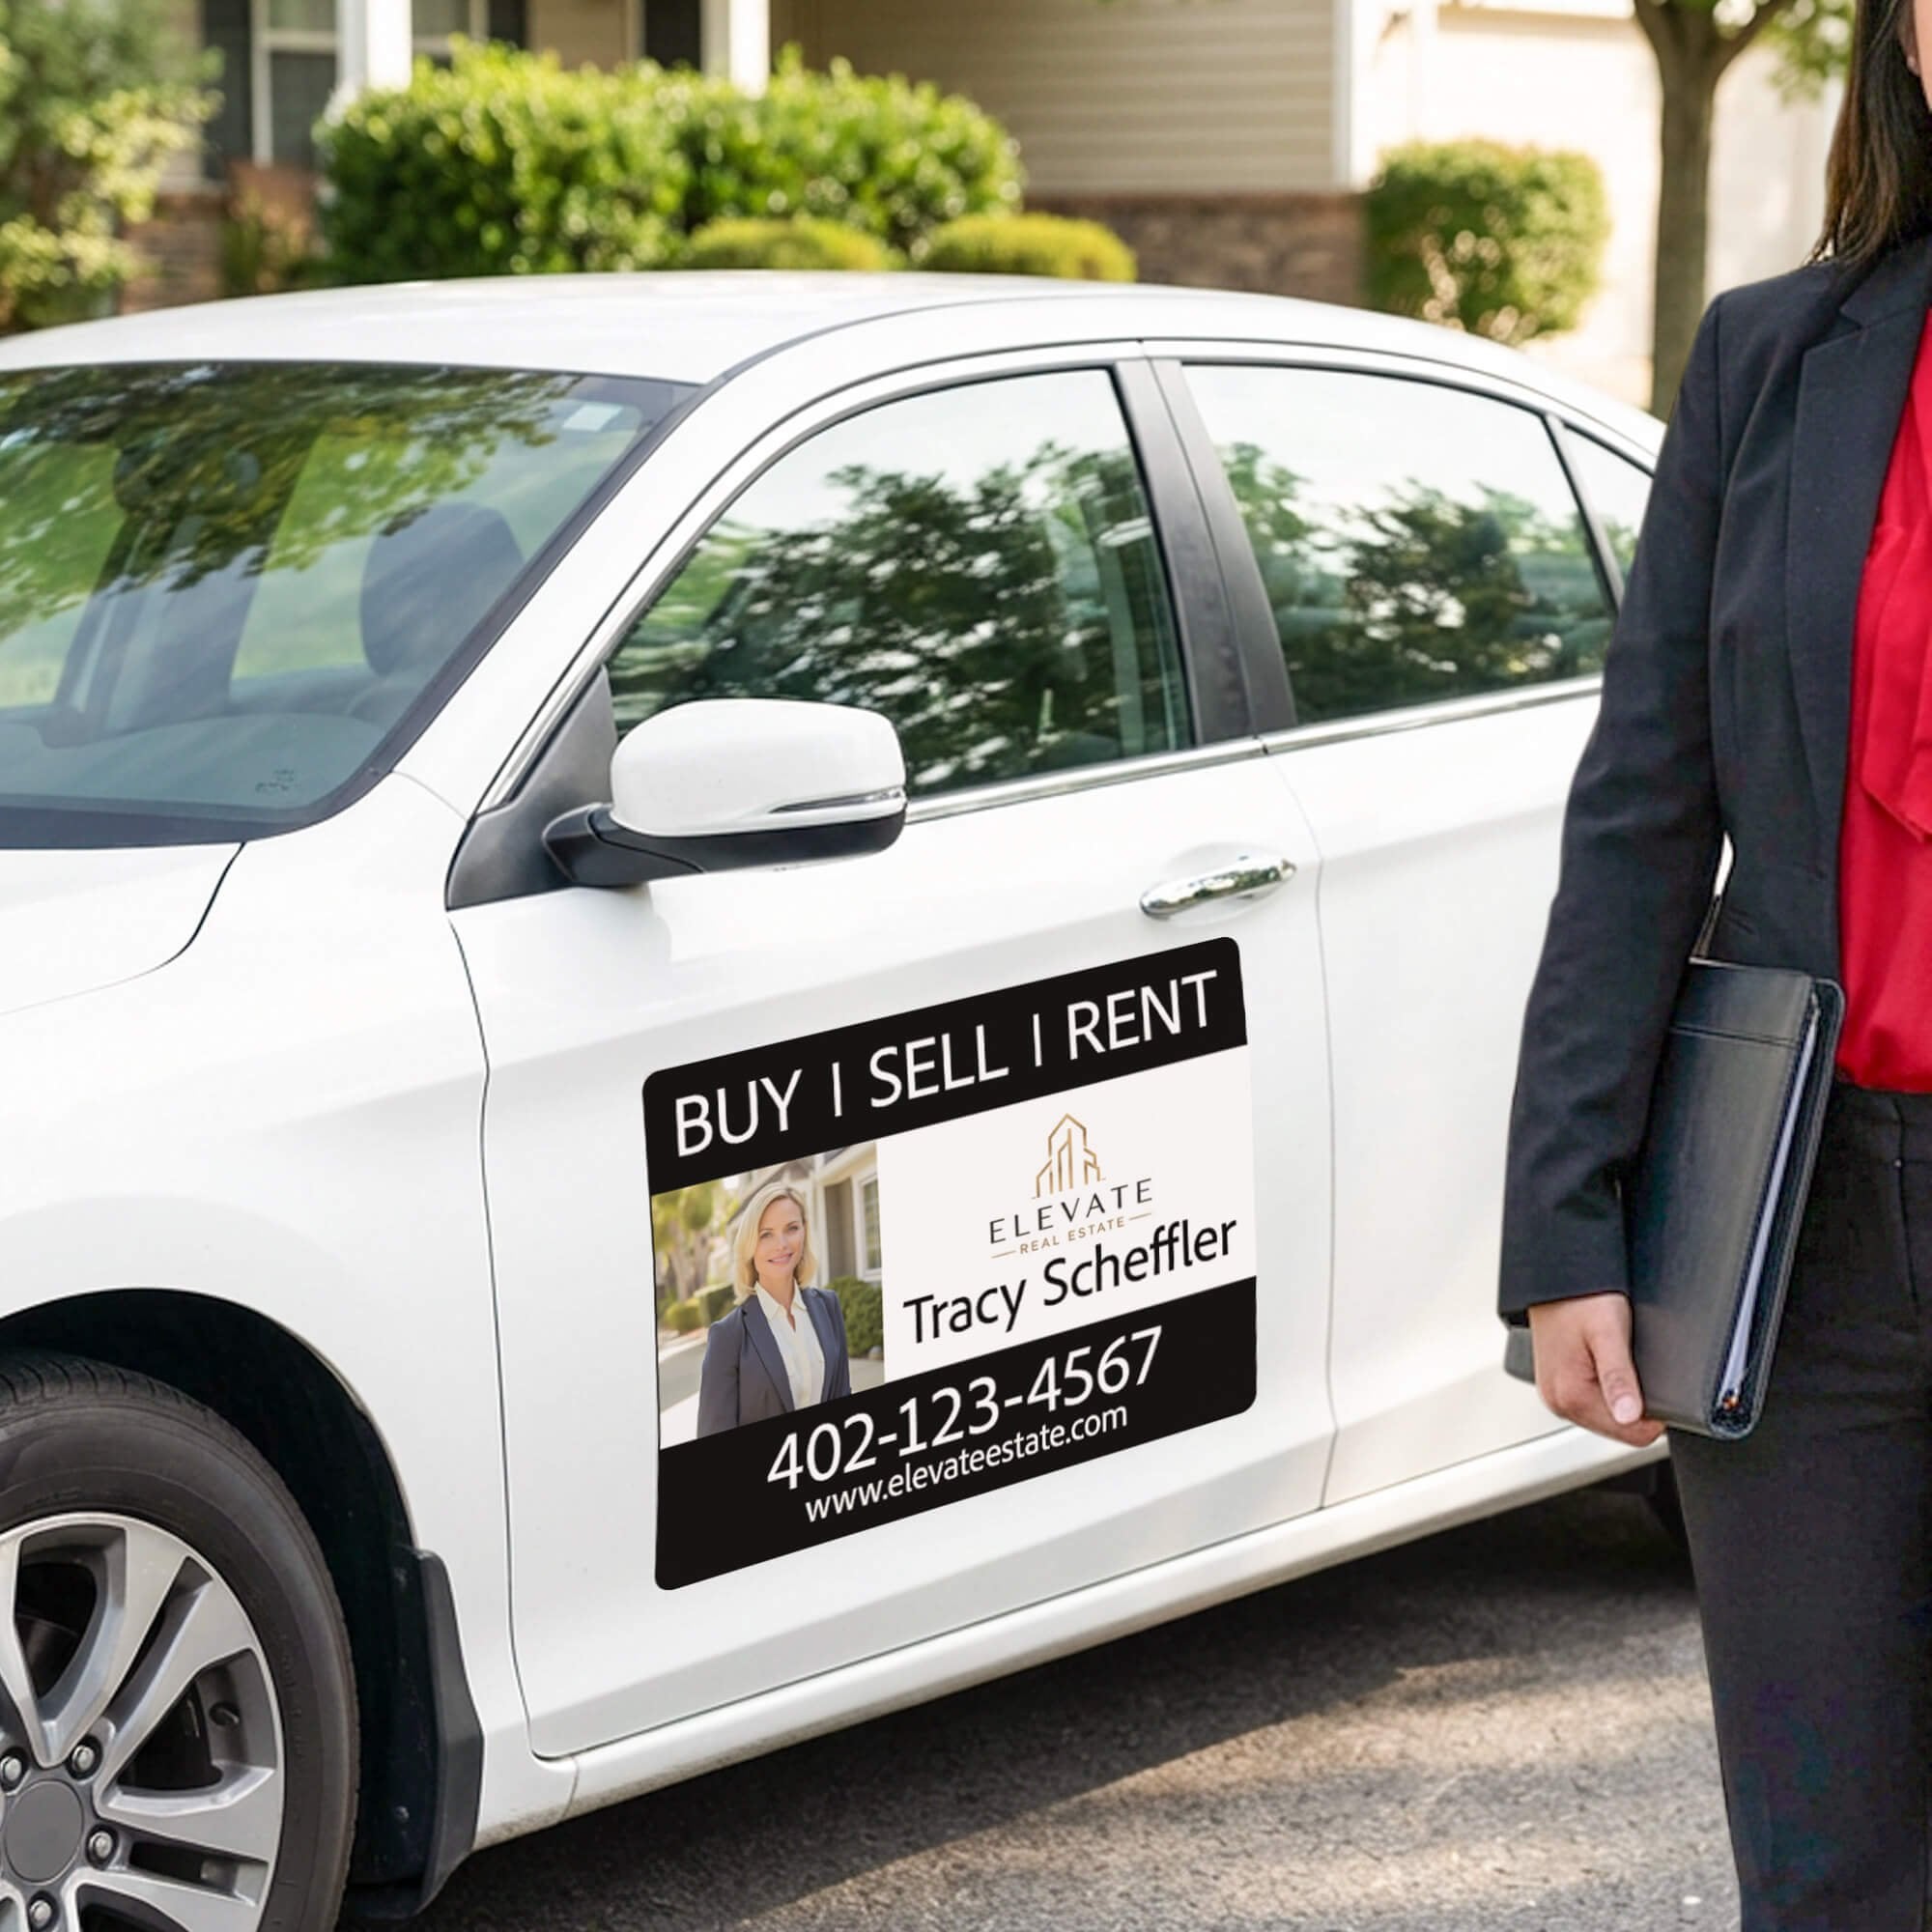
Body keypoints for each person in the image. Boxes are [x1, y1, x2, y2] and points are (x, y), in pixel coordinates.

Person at [1499, 5, 1932, 1921]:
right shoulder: (1774, 357)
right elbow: (1641, 811)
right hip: (1813, 1210)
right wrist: (1568, 1223)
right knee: (1828, 1866)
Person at [695, 1180, 851, 1436]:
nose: (781, 1244)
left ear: (804, 1232)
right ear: (749, 1245)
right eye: (766, 1234)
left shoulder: (829, 1307)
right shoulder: (728, 1336)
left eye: (791, 1228)